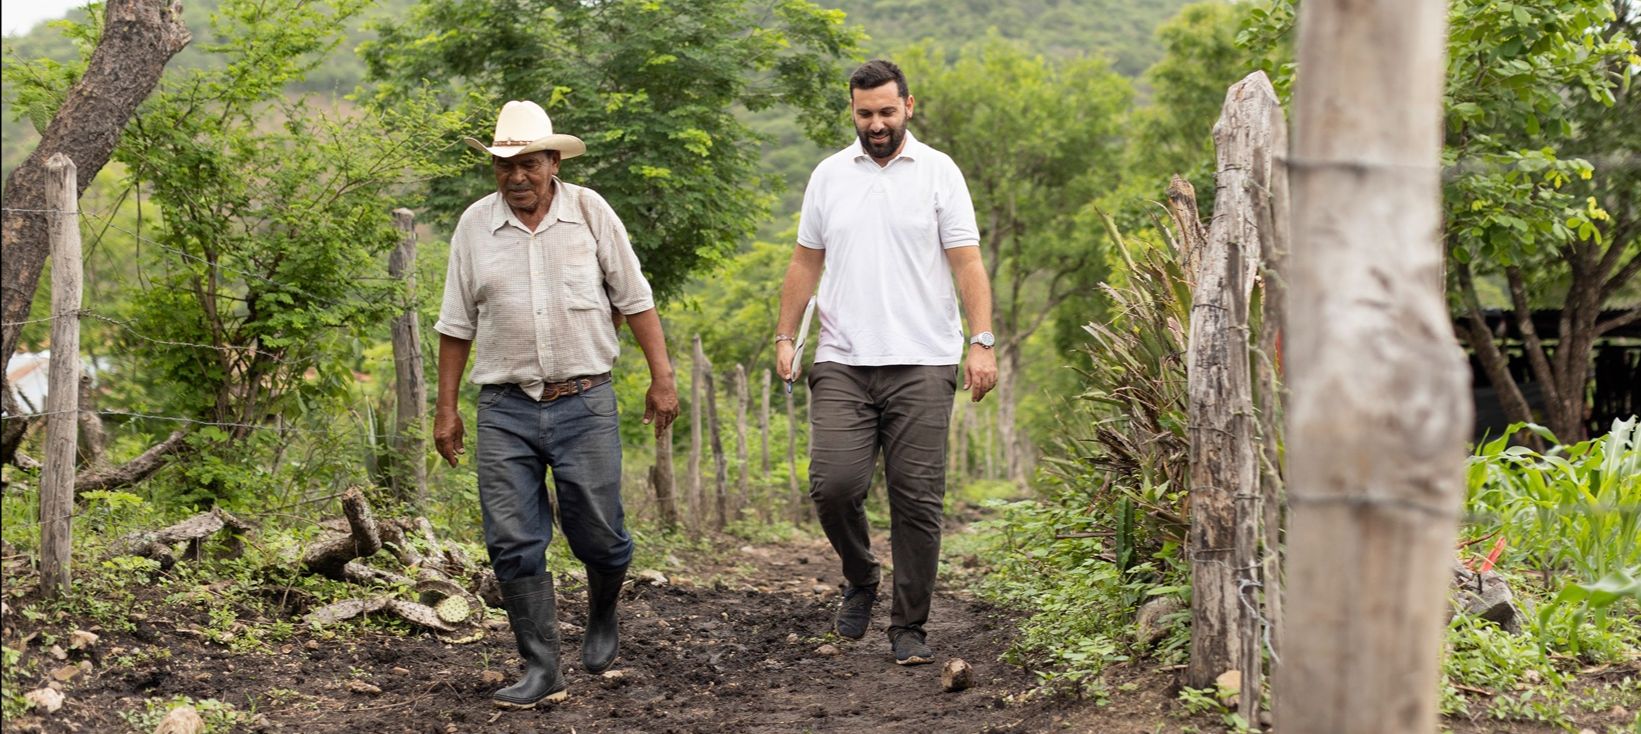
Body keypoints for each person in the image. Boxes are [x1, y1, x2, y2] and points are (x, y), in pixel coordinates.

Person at [433, 100, 680, 708]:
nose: (517, 177)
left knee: (598, 532)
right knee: (511, 539)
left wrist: (662, 377)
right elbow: (456, 324)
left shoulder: (590, 213)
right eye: (505, 165)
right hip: (505, 407)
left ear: (552, 162)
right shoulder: (474, 226)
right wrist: (446, 409)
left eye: (529, 164)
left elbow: (636, 297)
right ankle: (542, 668)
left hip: (585, 401)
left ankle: (602, 612)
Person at [774, 60, 997, 666]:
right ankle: (861, 575)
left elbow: (967, 263)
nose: (876, 123)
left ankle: (909, 627)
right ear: (852, 110)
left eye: (886, 112)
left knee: (916, 500)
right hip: (843, 357)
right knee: (834, 486)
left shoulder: (939, 173)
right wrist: (786, 336)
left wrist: (981, 340)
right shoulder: (827, 176)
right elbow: (804, 262)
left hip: (923, 359)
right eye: (865, 113)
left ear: (908, 106)